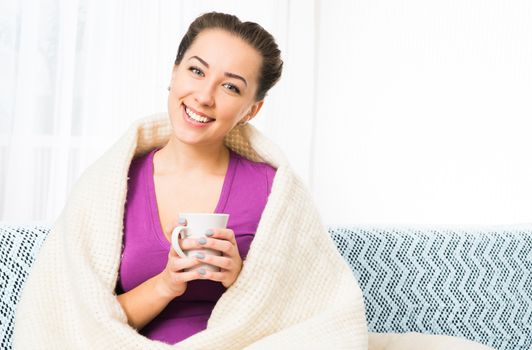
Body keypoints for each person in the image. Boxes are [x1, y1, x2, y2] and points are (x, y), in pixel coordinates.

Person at [114, 12, 281, 344]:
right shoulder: (116, 183)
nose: (205, 96)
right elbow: (83, 320)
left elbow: (308, 314)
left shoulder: (274, 189)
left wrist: (241, 280)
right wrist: (166, 285)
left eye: (231, 86)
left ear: (251, 110)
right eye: (196, 71)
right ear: (174, 73)